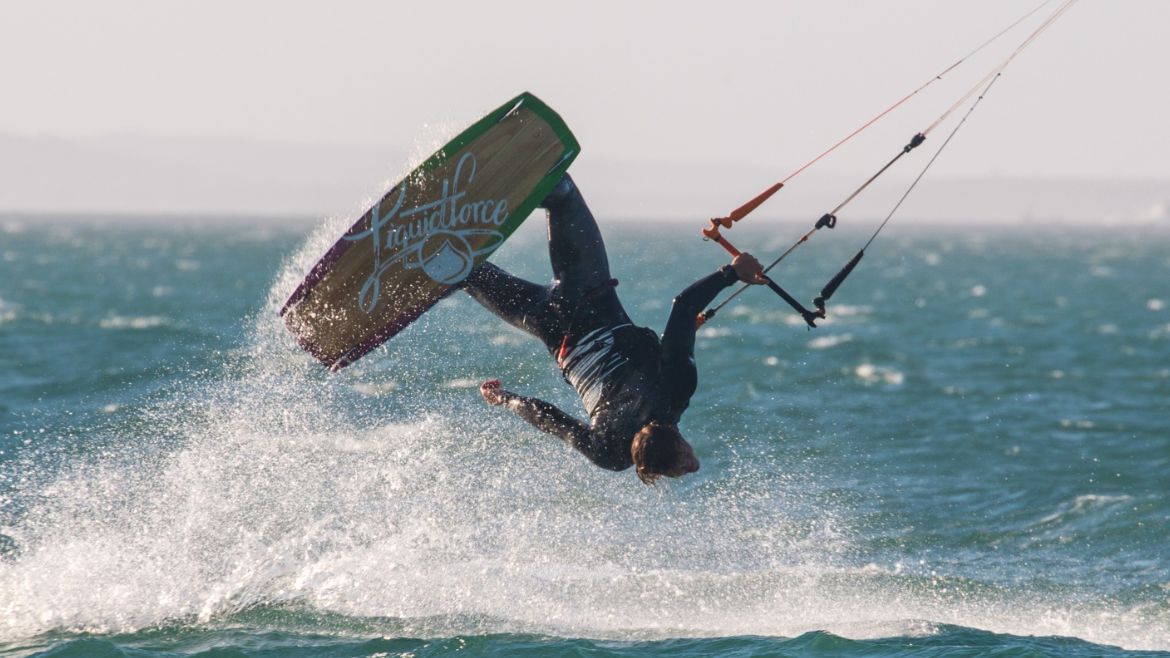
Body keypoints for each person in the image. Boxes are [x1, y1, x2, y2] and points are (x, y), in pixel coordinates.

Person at [462, 175, 766, 484]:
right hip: (553, 331)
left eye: (684, 462)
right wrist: (504, 399)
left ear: (675, 436)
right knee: (463, 271)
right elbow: (547, 418)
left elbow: (684, 306)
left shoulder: (676, 389)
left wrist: (731, 273)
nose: (694, 465)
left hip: (588, 294)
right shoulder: (609, 454)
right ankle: (447, 241)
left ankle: (480, 180)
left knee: (562, 192)